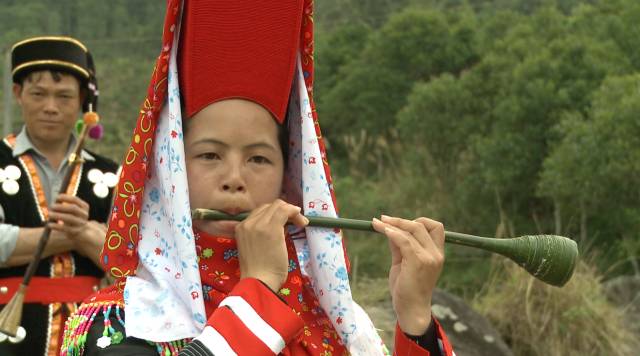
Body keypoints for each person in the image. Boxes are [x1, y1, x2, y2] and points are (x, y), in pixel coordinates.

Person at [61, 1, 455, 355]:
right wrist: (259, 290)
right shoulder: (120, 323)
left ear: (290, 177)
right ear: (169, 171)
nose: (234, 179)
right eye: (210, 155)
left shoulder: (334, 319)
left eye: (259, 159)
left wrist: (415, 318)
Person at [0, 36, 119, 355]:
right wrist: (80, 234)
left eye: (64, 96)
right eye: (38, 94)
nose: (50, 107)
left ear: (82, 100)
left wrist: (85, 233)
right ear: (18, 94)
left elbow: (132, 260)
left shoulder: (111, 175)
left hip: (93, 335)